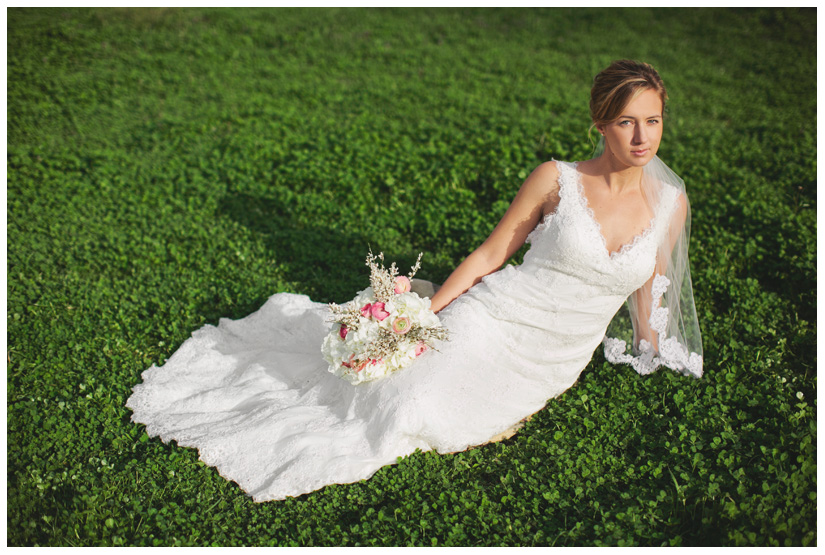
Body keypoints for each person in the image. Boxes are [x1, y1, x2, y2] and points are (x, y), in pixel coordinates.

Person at [127, 60, 703, 502]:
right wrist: (432, 315)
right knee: (407, 400)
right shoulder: (557, 178)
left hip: (555, 355)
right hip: (498, 314)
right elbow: (491, 255)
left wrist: (652, 347)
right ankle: (414, 313)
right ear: (601, 123)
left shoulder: (670, 203)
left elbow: (650, 287)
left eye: (652, 120)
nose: (641, 136)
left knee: (439, 410)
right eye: (626, 121)